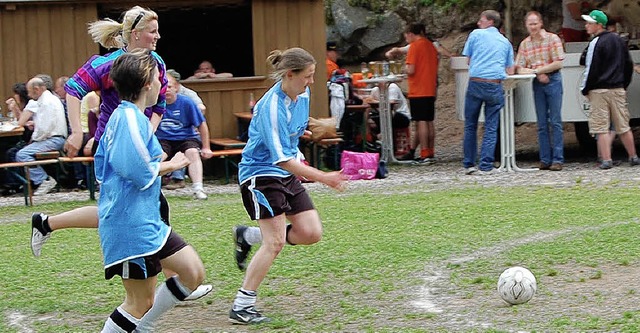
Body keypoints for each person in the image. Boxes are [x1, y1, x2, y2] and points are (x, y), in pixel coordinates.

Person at [29, 5, 212, 301]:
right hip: (112, 145)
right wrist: (76, 132)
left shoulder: (157, 63)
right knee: (134, 209)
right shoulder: (109, 63)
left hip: (137, 143)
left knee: (122, 210)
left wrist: (147, 134)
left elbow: (160, 104)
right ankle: (178, 277)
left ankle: (47, 223)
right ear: (136, 34)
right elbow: (74, 88)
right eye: (152, 31)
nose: (158, 36)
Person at [230, 47, 348, 324]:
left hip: (284, 172)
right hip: (260, 176)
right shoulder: (271, 106)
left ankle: (247, 236)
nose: (311, 81)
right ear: (289, 74)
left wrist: (308, 128)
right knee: (275, 243)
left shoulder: (301, 93)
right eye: (307, 76)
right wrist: (325, 177)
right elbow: (281, 159)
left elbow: (292, 130)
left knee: (310, 232)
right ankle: (241, 305)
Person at [96, 48, 205, 333]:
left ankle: (142, 326)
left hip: (147, 222)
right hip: (131, 225)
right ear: (147, 83)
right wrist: (174, 164)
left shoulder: (134, 117)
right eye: (159, 78)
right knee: (138, 302)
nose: (162, 84)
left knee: (192, 272)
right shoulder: (128, 119)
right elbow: (136, 170)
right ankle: (138, 324)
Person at [579, 10, 639, 169]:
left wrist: (585, 89)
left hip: (599, 90)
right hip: (618, 88)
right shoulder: (619, 40)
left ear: (598, 25)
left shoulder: (595, 43)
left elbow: (590, 68)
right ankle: (633, 156)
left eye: (589, 23)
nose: (586, 26)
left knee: (601, 127)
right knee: (623, 125)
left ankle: (606, 160)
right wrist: (623, 85)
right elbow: (628, 64)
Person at [462, 9, 515, 175]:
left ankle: (469, 163)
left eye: (481, 20)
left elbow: (468, 60)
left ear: (490, 21)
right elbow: (510, 69)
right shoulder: (505, 42)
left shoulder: (476, 35)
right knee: (491, 126)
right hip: (494, 84)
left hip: (476, 82)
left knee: (470, 125)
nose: (479, 23)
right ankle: (486, 164)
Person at [515, 11, 565, 171]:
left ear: (541, 23)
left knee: (555, 121)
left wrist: (538, 70)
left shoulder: (552, 38)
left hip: (553, 79)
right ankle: (545, 159)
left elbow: (558, 63)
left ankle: (558, 159)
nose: (533, 27)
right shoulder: (524, 44)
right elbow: (519, 66)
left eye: (535, 23)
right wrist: (537, 73)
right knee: (541, 122)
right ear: (526, 25)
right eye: (530, 24)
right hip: (537, 82)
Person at [156, 73, 214, 200]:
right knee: (158, 156)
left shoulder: (187, 102)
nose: (166, 90)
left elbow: (202, 125)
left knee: (192, 152)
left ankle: (198, 188)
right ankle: (151, 187)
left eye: (169, 87)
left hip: (186, 137)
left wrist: (206, 147)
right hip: (163, 139)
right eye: (163, 87)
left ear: (176, 88)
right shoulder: (156, 104)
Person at [12, 76, 68, 195]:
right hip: (56, 137)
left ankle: (44, 180)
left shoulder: (46, 103)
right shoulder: (50, 99)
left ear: (37, 89)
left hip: (54, 139)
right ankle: (41, 180)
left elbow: (44, 130)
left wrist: (34, 139)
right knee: (21, 152)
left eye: (29, 92)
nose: (29, 95)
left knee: (22, 154)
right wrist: (35, 123)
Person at [403, 23, 439, 163]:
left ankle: (424, 152)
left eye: (406, 35)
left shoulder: (414, 46)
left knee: (421, 121)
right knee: (429, 121)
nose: (406, 38)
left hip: (418, 89)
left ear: (411, 34)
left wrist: (403, 69)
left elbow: (411, 69)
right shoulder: (431, 46)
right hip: (430, 87)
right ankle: (430, 150)